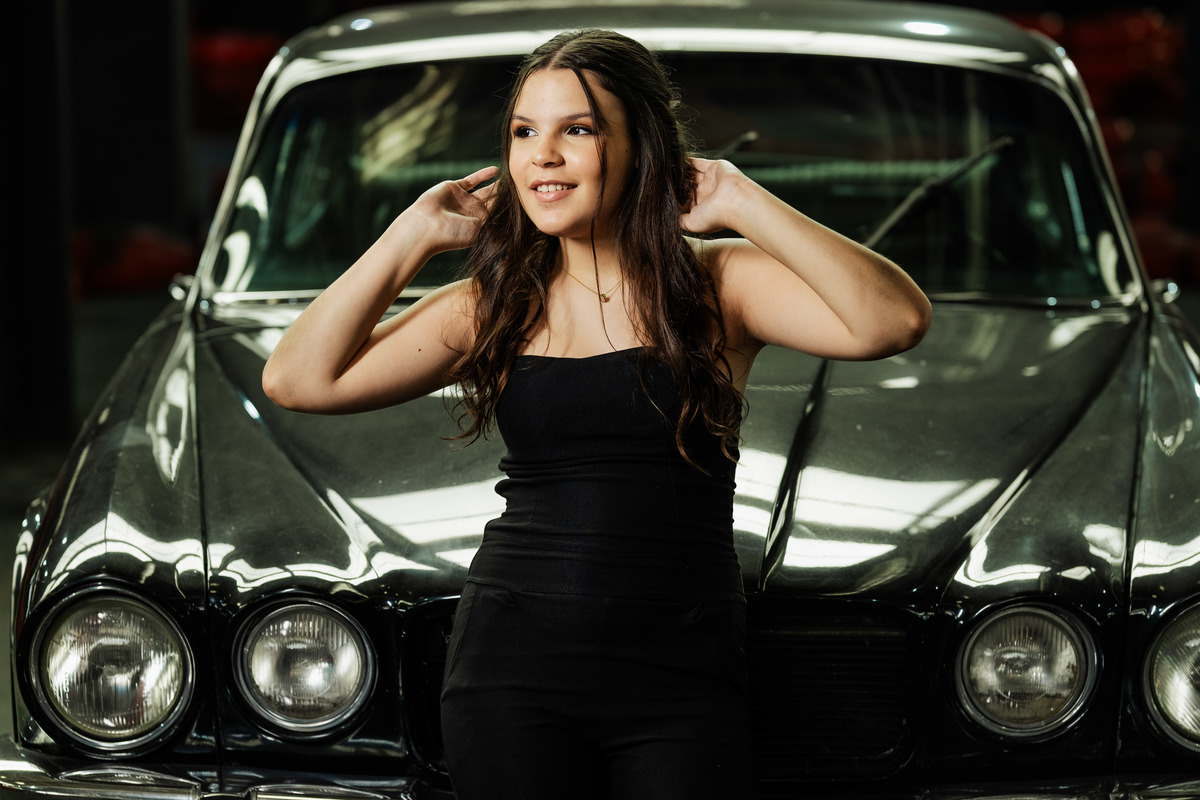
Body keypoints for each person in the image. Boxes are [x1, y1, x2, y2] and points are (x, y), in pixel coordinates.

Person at [262, 28, 930, 800]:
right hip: (511, 674)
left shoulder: (721, 287)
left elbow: (893, 321)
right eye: (524, 133)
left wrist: (741, 200)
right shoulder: (493, 304)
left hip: (681, 675)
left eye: (576, 129)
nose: (542, 155)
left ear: (641, 146)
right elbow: (297, 379)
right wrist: (410, 237)